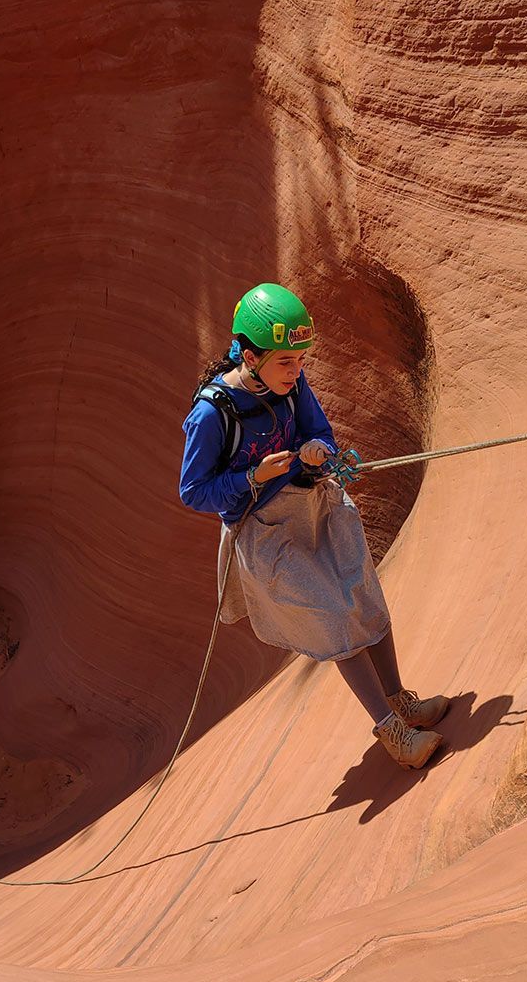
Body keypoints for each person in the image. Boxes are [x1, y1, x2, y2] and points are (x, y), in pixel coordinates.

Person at [179, 283, 451, 769]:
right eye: (287, 361)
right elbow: (194, 491)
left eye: (300, 360)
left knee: (363, 594)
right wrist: (251, 476)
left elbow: (318, 429)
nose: (297, 371)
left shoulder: (291, 385)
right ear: (248, 353)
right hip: (263, 531)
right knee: (331, 614)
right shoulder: (211, 414)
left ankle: (400, 702)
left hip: (315, 506)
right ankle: (393, 736)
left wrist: (316, 450)